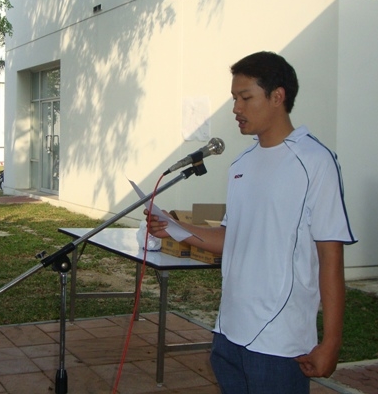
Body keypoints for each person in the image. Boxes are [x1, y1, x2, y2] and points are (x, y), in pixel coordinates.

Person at [146, 51, 357, 393]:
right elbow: (231, 238)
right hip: (228, 332)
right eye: (234, 98)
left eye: (245, 98)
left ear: (277, 97)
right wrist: (173, 227)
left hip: (278, 343)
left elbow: (330, 257)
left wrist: (331, 342)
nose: (236, 108)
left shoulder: (315, 162)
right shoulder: (241, 163)